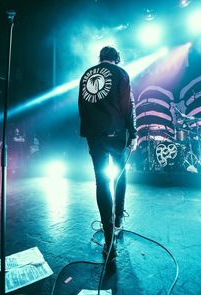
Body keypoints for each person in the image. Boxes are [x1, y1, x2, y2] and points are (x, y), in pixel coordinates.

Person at [78, 46, 137, 260]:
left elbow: (82, 106)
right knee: (119, 175)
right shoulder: (120, 74)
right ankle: (119, 219)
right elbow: (127, 105)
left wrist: (89, 130)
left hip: (95, 135)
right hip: (116, 133)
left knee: (101, 182)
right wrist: (132, 132)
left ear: (100, 58)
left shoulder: (87, 75)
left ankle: (108, 239)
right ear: (116, 59)